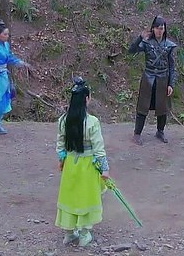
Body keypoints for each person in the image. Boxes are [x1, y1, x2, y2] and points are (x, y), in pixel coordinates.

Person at [56, 77, 109, 247]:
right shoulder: (92, 122)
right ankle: (84, 234)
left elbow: (60, 144)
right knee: (85, 197)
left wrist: (62, 160)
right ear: (87, 99)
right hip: (87, 165)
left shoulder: (64, 120)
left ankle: (69, 233)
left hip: (70, 164)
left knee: (70, 196)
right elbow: (99, 148)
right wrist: (105, 169)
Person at [128, 15, 177, 145]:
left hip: (163, 79)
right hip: (148, 78)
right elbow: (131, 50)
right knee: (142, 107)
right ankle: (137, 133)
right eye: (157, 28)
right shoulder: (147, 43)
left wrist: (171, 84)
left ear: (164, 29)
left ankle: (160, 131)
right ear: (153, 29)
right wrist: (140, 38)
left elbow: (172, 67)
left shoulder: (169, 45)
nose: (160, 31)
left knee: (162, 108)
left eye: (162, 28)